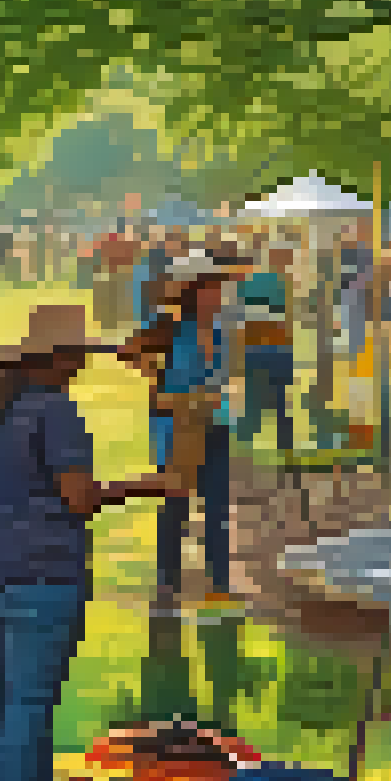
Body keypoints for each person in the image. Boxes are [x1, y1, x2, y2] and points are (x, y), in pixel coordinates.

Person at [0, 305, 182, 781]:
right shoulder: (56, 410)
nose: (85, 363)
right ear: (59, 359)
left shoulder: (3, 408)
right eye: (80, 354)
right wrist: (147, 484)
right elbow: (78, 498)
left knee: (15, 709)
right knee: (30, 711)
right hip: (42, 571)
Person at [119, 251, 249, 608]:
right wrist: (155, 376)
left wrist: (223, 395)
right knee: (175, 507)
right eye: (208, 287)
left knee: (218, 507)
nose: (216, 294)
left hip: (215, 423)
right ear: (191, 291)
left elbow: (227, 376)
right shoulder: (169, 325)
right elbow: (130, 355)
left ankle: (219, 585)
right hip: (176, 431)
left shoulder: (223, 329)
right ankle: (167, 589)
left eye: (218, 287)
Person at [233, 253, 297, 453]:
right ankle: (282, 443)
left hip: (262, 349)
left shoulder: (249, 284)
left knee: (256, 398)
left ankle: (246, 441)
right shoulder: (278, 283)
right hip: (275, 349)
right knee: (275, 400)